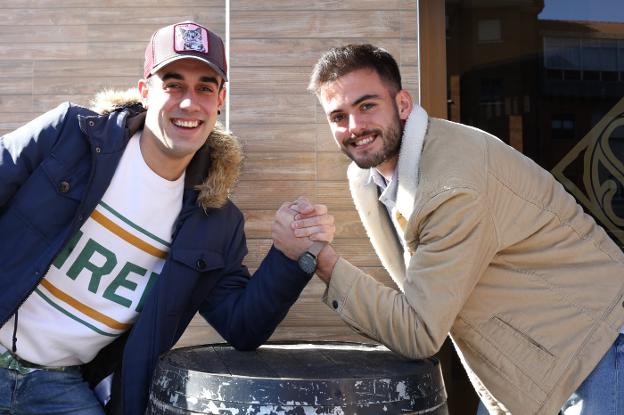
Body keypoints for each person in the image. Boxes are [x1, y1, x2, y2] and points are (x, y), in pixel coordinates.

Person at [0, 21, 333, 415]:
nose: (189, 103)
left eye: (205, 88)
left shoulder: (216, 223)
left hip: (58, 383)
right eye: (173, 84)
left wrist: (290, 257)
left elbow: (243, 326)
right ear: (146, 91)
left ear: (220, 99)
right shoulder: (70, 138)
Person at [301, 43, 624, 414]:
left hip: (599, 353)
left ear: (402, 105)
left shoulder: (451, 187)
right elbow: (417, 291)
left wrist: (323, 262)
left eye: (367, 106)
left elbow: (420, 330)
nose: (354, 127)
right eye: (338, 116)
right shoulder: (368, 179)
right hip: (527, 372)